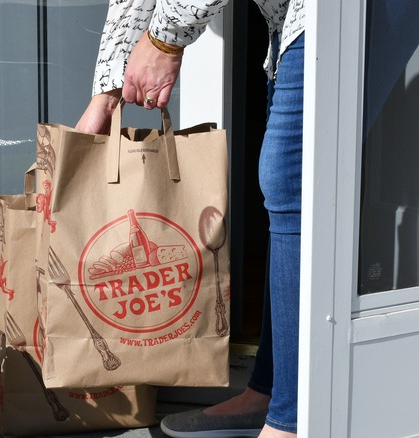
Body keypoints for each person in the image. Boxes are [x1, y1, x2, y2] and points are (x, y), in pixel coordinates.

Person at [76, 1, 305, 437]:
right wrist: (106, 93)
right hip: (288, 19)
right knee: (288, 189)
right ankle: (269, 393)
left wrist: (165, 40)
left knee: (286, 180)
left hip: (336, 16)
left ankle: (290, 420)